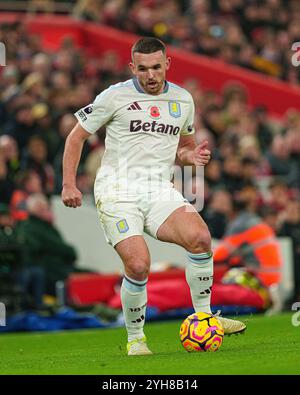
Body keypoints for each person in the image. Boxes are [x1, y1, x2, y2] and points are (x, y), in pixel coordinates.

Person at [61, 37, 246, 356]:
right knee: (138, 263)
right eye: (143, 68)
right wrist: (69, 184)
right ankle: (135, 338)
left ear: (167, 65)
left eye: (156, 67)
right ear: (132, 67)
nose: (150, 75)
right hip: (117, 192)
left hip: (159, 189)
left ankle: (204, 317)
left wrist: (193, 158)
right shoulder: (114, 96)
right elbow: (76, 137)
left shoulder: (183, 99)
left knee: (200, 238)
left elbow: (184, 149)